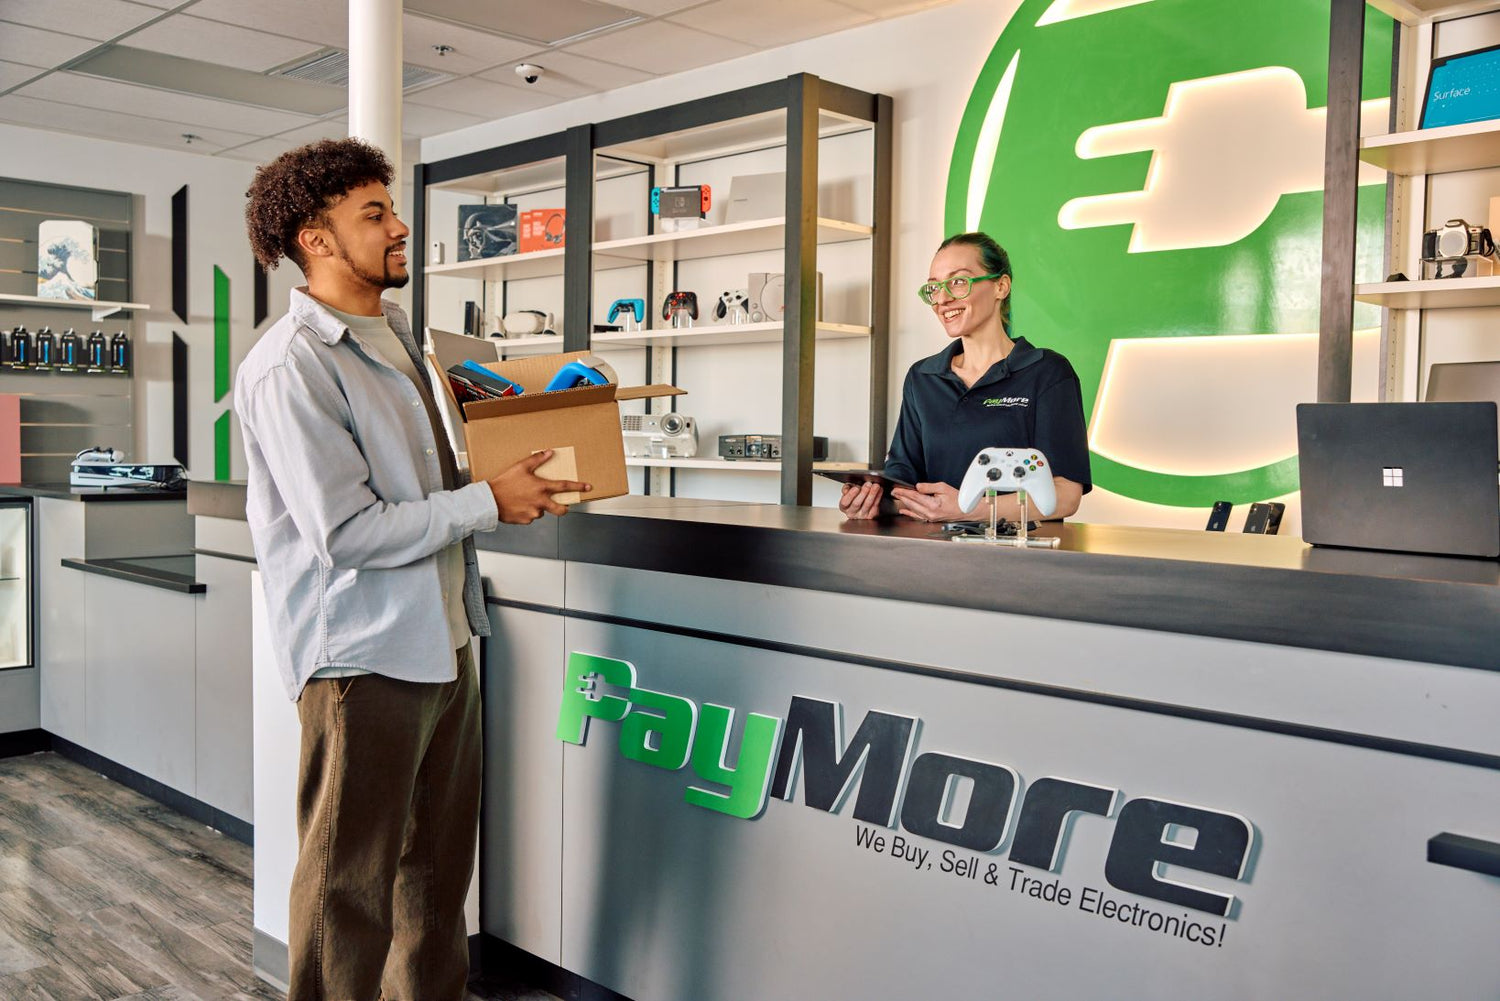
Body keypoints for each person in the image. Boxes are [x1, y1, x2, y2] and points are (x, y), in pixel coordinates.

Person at [235, 137, 588, 1001]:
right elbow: (346, 531)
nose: (399, 228)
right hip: (363, 657)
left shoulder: (395, 334)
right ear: (316, 239)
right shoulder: (291, 366)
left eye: (390, 209)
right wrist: (482, 503)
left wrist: (506, 478)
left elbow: (419, 485)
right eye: (375, 215)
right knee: (346, 887)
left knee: (435, 878)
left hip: (447, 634)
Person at [841, 232, 1091, 523]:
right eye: (934, 288)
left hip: (1017, 558)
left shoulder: (1048, 372)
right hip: (930, 555)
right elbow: (903, 479)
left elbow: (1065, 495)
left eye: (958, 282)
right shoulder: (922, 377)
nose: (943, 299)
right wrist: (871, 501)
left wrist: (969, 509)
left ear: (1001, 286)